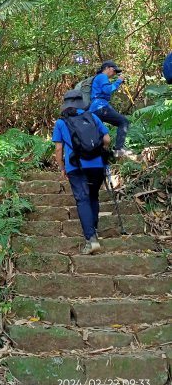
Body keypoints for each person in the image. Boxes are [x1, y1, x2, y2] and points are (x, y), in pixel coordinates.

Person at [52, 90, 111, 255]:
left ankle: (91, 240)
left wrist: (62, 168)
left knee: (82, 199)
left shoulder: (61, 122)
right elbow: (107, 139)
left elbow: (58, 149)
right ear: (81, 102)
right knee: (93, 196)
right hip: (97, 165)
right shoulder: (92, 117)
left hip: (75, 166)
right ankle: (94, 231)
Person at [89, 60, 133, 158]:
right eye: (114, 70)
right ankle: (118, 150)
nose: (114, 73)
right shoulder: (102, 76)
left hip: (94, 109)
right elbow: (107, 90)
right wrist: (119, 81)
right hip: (100, 107)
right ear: (107, 68)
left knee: (99, 133)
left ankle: (100, 156)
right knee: (123, 122)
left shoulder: (99, 78)